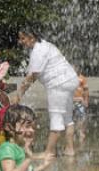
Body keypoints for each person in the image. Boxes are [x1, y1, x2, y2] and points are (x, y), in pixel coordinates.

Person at [14, 29, 79, 158]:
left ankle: (49, 151)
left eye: (23, 39)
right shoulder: (45, 44)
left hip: (58, 84)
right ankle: (70, 149)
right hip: (70, 79)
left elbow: (32, 76)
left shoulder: (38, 51)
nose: (20, 42)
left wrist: (18, 95)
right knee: (67, 117)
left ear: (31, 37)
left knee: (56, 117)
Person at [73, 71, 89, 144]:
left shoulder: (82, 78)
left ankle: (81, 132)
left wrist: (86, 100)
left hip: (80, 102)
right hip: (71, 101)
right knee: (71, 118)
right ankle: (73, 132)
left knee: (81, 117)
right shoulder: (69, 77)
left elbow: (86, 90)